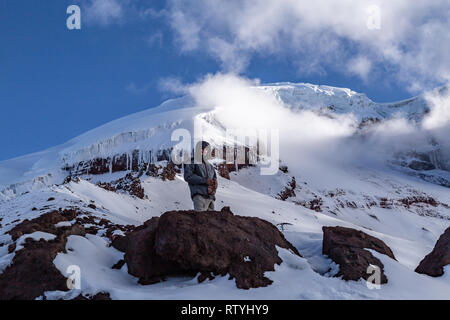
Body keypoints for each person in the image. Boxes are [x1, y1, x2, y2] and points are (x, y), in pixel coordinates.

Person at [184, 141, 218, 211]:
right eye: (207, 149)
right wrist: (205, 181)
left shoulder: (210, 166)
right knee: (201, 220)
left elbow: (215, 178)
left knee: (212, 220)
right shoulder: (192, 162)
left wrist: (215, 184)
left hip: (210, 197)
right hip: (199, 196)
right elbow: (188, 176)